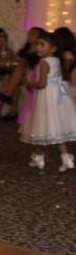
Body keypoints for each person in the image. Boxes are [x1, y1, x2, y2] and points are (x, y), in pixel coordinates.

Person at [20, 30, 76, 171]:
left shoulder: (44, 62)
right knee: (56, 130)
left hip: (46, 97)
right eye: (37, 44)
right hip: (56, 97)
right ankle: (66, 158)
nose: (38, 47)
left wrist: (29, 84)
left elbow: (42, 84)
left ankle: (39, 158)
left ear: (53, 48)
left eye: (42, 44)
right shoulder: (57, 60)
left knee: (38, 128)